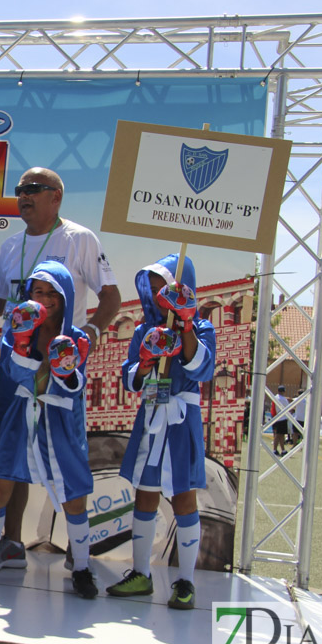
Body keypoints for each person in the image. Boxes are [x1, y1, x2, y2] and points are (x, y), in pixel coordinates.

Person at [0, 167, 120, 571]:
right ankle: (9, 544)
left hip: (60, 371)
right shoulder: (10, 246)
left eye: (33, 189)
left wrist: (88, 336)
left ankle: (80, 563)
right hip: (16, 368)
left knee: (68, 463)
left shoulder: (79, 239)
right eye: (20, 190)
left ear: (56, 196)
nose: (24, 196)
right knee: (8, 459)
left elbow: (110, 296)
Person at [0, 261, 97, 599]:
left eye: (53, 293)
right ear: (28, 294)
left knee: (74, 497)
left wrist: (65, 371)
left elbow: (75, 387)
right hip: (21, 415)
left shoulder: (77, 337)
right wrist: (21, 343)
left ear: (65, 297)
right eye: (39, 291)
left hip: (62, 422)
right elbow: (12, 373)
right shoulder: (16, 329)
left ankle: (81, 567)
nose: (46, 298)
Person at [105, 254, 214, 610]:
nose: (155, 298)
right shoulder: (142, 330)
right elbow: (130, 379)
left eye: (163, 290)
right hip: (152, 416)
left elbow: (203, 370)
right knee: (145, 493)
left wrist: (185, 327)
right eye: (151, 291)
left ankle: (185, 581)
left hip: (182, 422)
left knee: (183, 496)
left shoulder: (202, 328)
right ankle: (141, 573)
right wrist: (146, 362)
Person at [271, 385, 295, 457]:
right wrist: (293, 410)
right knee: (278, 435)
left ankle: (283, 450)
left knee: (281, 435)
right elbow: (288, 408)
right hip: (282, 418)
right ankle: (274, 449)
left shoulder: (275, 397)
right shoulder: (283, 399)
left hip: (277, 417)